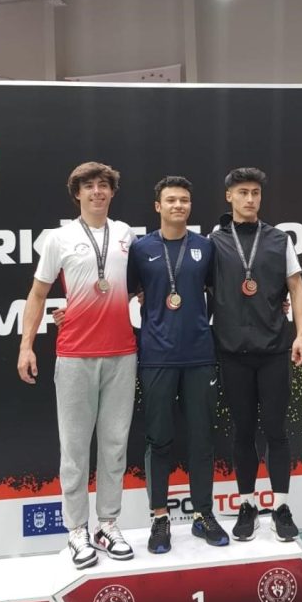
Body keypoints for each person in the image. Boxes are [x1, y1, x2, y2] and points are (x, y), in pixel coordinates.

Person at [18, 162, 137, 569]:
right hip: (74, 356)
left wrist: (90, 303)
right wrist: (26, 346)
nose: (97, 192)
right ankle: (76, 530)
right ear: (77, 194)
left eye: (104, 186)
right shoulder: (59, 238)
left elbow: (133, 285)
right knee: (74, 449)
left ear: (112, 192)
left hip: (122, 353)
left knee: (115, 446)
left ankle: (108, 524)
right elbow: (37, 294)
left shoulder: (126, 234)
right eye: (89, 186)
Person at [127, 176, 229, 554]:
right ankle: (159, 518)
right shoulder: (141, 249)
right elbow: (120, 294)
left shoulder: (205, 247)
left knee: (202, 439)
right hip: (156, 356)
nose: (178, 206)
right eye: (171, 200)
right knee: (159, 439)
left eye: (184, 200)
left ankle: (204, 514)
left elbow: (223, 294)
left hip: (200, 354)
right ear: (158, 206)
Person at [211, 167, 302, 543]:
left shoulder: (279, 239)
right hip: (231, 351)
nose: (250, 199)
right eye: (243, 192)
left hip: (273, 350)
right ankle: (247, 505)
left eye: (255, 192)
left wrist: (301, 335)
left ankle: (280, 507)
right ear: (229, 196)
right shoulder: (214, 241)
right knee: (243, 431)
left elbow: (297, 288)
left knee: (275, 430)